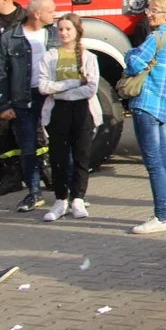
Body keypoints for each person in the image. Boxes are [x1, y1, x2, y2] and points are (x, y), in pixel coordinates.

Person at [124, 0, 166, 234]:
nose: (147, 14)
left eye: (152, 10)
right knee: (165, 159)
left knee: (154, 163)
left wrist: (131, 54)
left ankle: (161, 217)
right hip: (164, 105)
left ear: (165, 15)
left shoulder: (156, 36)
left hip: (147, 102)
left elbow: (134, 64)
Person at [38, 13, 101, 222]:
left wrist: (61, 91)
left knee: (82, 155)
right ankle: (60, 199)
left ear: (77, 31)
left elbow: (90, 89)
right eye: (61, 29)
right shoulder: (50, 56)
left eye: (68, 29)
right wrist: (71, 85)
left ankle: (78, 198)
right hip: (58, 111)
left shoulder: (89, 57)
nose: (64, 33)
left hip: (82, 111)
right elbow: (43, 86)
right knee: (58, 156)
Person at [0, 0, 58, 213]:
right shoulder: (10, 38)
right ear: (36, 13)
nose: (54, 13)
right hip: (24, 99)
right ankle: (34, 192)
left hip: (51, 95)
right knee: (27, 148)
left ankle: (67, 193)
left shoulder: (54, 34)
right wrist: (4, 105)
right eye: (50, 10)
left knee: (61, 144)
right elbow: (1, 74)